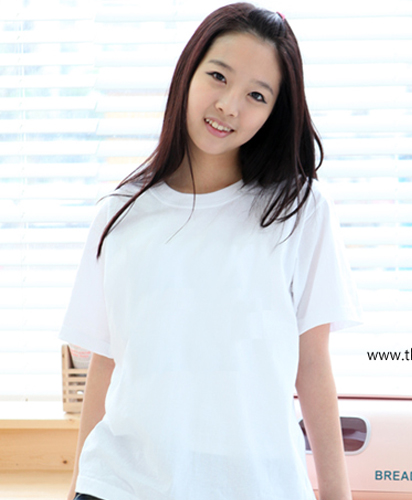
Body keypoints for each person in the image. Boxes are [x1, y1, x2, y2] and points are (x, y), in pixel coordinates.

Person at [59, 3, 362, 500]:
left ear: (275, 112)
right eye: (218, 76)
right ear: (189, 71)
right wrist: (76, 485)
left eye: (256, 95)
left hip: (257, 485)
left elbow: (312, 366)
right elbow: (106, 363)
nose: (228, 105)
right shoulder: (120, 213)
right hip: (121, 484)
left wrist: (336, 495)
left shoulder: (298, 210)